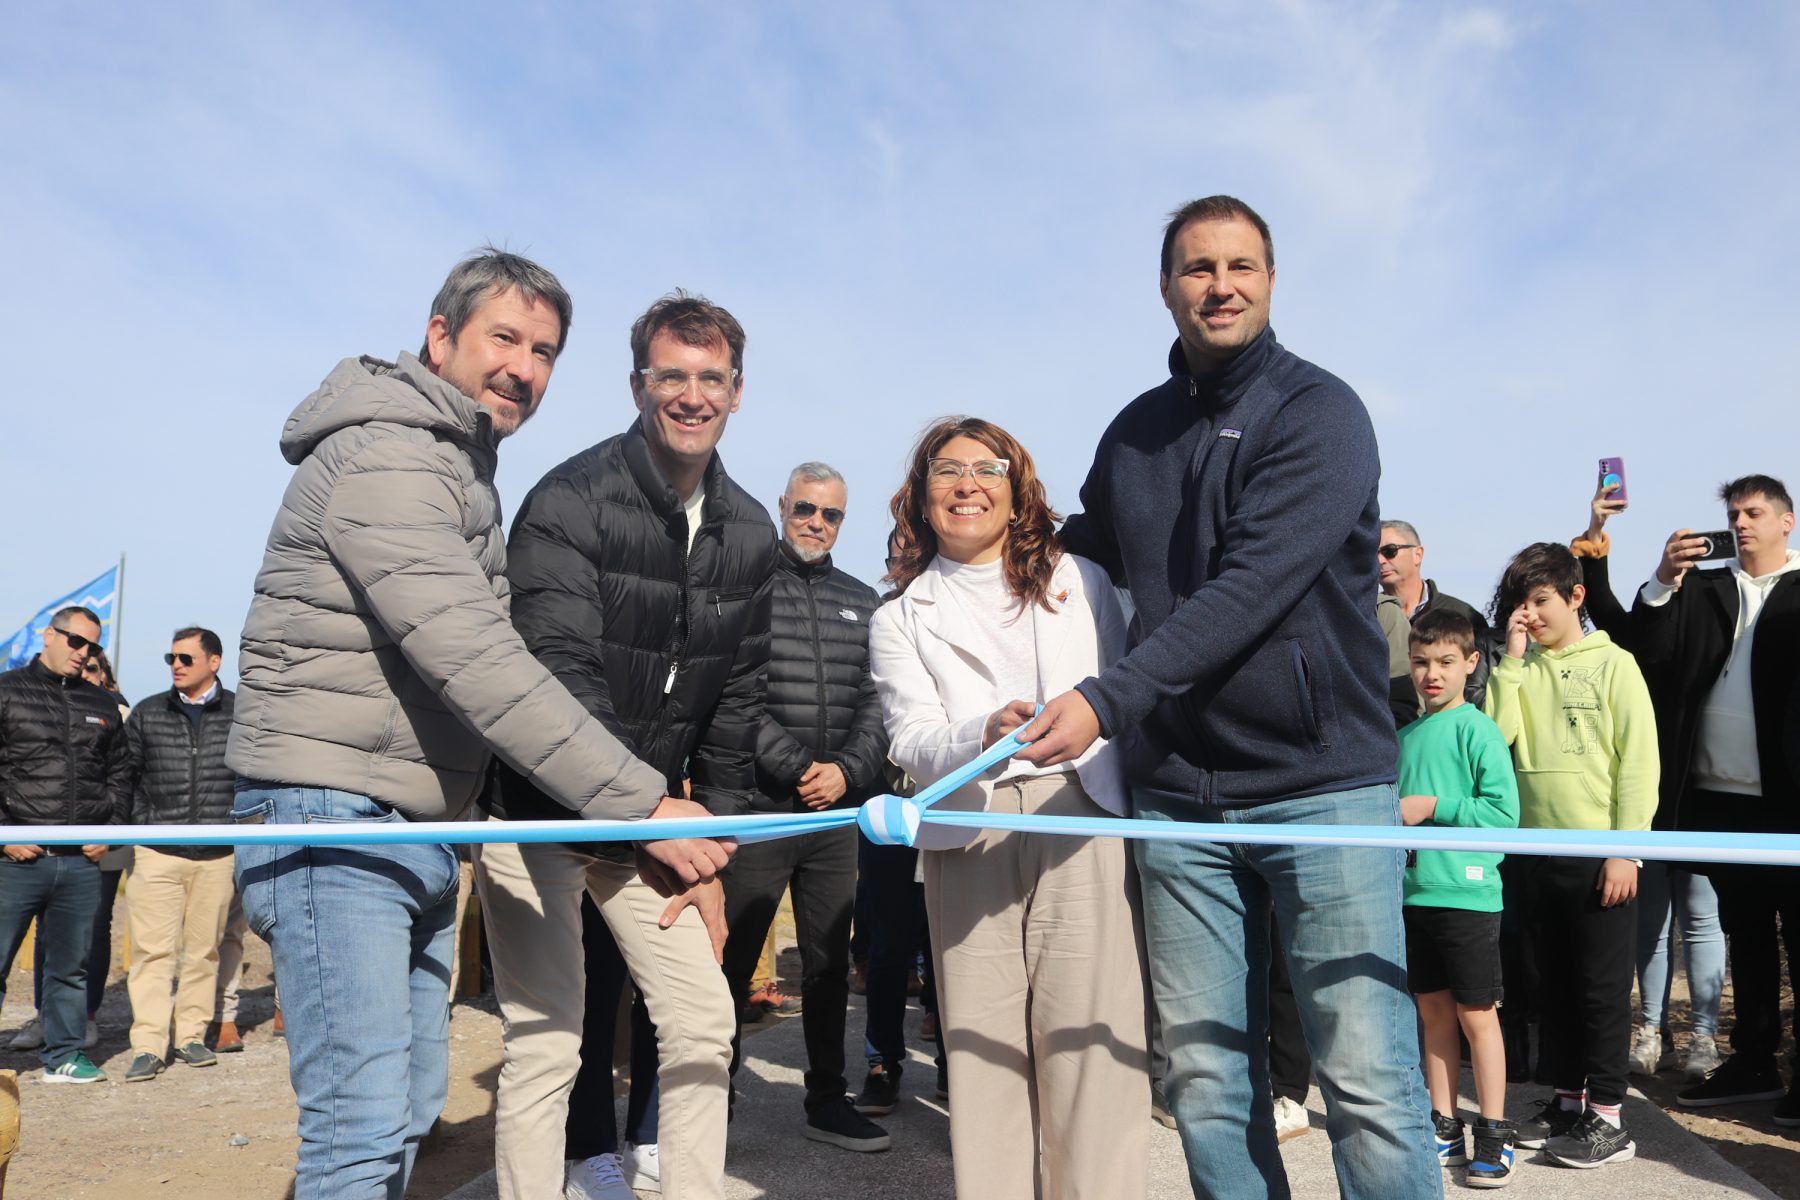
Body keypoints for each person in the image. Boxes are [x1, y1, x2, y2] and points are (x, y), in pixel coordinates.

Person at [225, 251, 728, 1200]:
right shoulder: (390, 456)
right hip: (335, 820)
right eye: (504, 338)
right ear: (439, 336)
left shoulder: (456, 467)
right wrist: (644, 803)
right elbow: (484, 665)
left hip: (411, 826)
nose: (523, 369)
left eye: (544, 352)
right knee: (360, 1129)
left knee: (404, 1110)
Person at [1025, 194, 1439, 1197]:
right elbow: (1087, 548)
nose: (1220, 286)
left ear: (1272, 280)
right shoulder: (1134, 435)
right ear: (1166, 287)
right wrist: (975, 543)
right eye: (1199, 268)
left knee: (1366, 1080)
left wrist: (1107, 700)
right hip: (1179, 802)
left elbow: (1252, 586)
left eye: (1240, 266)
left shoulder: (1321, 414)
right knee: (1207, 1082)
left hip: (1323, 788)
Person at [476, 289, 772, 1200]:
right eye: (671, 376)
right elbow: (559, 674)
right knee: (548, 1039)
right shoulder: (567, 500)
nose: (692, 395)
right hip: (538, 810)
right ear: (639, 385)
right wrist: (652, 812)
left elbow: (737, 703)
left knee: (703, 1021)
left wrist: (711, 846)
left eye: (711, 379)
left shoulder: (750, 531)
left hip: (652, 820)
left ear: (737, 391)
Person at [870, 416, 1149, 1199]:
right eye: (946, 470)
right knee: (982, 1048)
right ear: (921, 496)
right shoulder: (899, 617)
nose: (967, 485)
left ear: (1017, 488)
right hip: (970, 825)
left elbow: (1127, 692)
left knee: (1091, 1041)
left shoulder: (1082, 581)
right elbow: (911, 741)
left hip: (1081, 814)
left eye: (987, 469)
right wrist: (982, 735)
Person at [720, 461, 891, 1150]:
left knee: (825, 964)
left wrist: (847, 772)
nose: (817, 523)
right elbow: (733, 693)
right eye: (806, 509)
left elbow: (880, 701)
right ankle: (711, 1100)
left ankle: (826, 1099)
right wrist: (797, 768)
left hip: (833, 817)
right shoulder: (747, 586)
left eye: (832, 514)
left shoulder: (862, 601)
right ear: (783, 505)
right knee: (731, 961)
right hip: (763, 808)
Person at [1619, 474, 1799, 1123]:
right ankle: (1753, 1061)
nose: (1741, 523)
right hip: (1718, 799)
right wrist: (1663, 580)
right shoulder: (1705, 586)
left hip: (1789, 800)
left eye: (1753, 513)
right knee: (1745, 933)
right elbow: (1647, 654)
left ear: (1787, 521)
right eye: (1733, 514)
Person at [1485, 542, 1657, 1168]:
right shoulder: (1519, 668)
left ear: (1576, 596)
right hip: (1535, 851)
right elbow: (1493, 738)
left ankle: (1609, 1117)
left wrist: (1625, 850)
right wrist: (1509, 662)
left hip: (1600, 854)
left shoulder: (1616, 664)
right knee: (1550, 985)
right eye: (1520, 604)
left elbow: (1639, 762)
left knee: (1600, 991)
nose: (1529, 615)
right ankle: (1567, 1100)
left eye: (1541, 601)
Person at [1569, 477, 1726, 1083]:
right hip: (1650, 799)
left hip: (1709, 793)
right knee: (1651, 925)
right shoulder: (1639, 636)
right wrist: (1597, 531)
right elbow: (1602, 607)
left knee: (1703, 920)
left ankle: (1705, 1039)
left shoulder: (1724, 633)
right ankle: (1652, 1031)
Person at [1398, 608, 1520, 1187]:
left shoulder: (1479, 729)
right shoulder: (1404, 737)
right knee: (1433, 1013)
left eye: (1446, 662)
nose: (1432, 674)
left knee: (1477, 1014)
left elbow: (1503, 815)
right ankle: (1443, 1124)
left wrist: (1432, 807)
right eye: (1421, 662)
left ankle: (1494, 1131)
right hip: (1414, 895)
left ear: (1472, 663)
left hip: (1469, 897)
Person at [0, 606, 128, 1084]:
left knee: (70, 967)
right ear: (48, 635)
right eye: (76, 641)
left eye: (92, 646)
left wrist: (108, 832)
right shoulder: (7, 690)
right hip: (14, 860)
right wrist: (5, 837)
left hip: (79, 863)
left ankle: (65, 1056)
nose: (83, 652)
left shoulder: (101, 703)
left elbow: (121, 774)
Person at [120, 626, 238, 1082]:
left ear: (214, 662)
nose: (176, 665)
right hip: (157, 852)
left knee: (204, 952)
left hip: (218, 854)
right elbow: (126, 776)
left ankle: (191, 1036)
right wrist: (143, 824)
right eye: (171, 657)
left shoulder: (240, 713)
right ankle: (149, 1045)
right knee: (151, 954)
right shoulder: (148, 712)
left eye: (186, 658)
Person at [1382, 519, 1493, 705]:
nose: (1380, 560)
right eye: (1372, 553)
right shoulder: (1366, 617)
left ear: (1418, 554)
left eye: (1390, 551)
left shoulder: (1463, 614)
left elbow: (1478, 686)